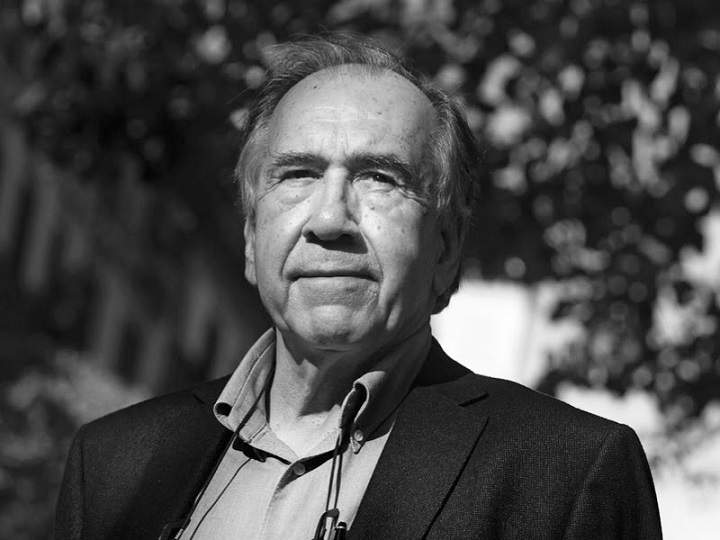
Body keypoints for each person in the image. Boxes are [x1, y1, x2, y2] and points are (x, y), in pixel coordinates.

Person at [55, 33, 662, 540]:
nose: (328, 220)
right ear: (250, 239)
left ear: (445, 250)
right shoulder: (112, 464)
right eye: (298, 174)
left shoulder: (567, 475)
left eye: (379, 178)